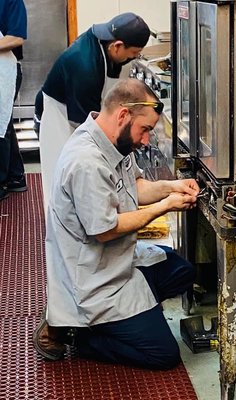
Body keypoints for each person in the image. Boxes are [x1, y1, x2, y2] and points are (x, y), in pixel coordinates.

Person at [33, 78, 200, 369]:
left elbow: (134, 187)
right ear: (123, 115)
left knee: (183, 272)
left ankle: (130, 320)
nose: (146, 139)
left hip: (118, 260)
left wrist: (172, 187)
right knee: (164, 355)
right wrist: (165, 205)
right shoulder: (87, 161)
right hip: (95, 279)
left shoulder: (112, 141)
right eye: (145, 129)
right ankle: (78, 334)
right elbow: (105, 230)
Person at [34, 12, 151, 210]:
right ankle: (66, 233)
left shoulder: (105, 43)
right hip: (59, 115)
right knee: (62, 175)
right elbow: (89, 128)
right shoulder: (84, 65)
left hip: (78, 106)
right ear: (117, 46)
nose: (134, 57)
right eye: (134, 53)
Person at [0, 0, 27, 201]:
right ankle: (16, 177)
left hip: (5, 71)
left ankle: (1, 182)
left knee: (0, 125)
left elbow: (17, 37)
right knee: (4, 122)